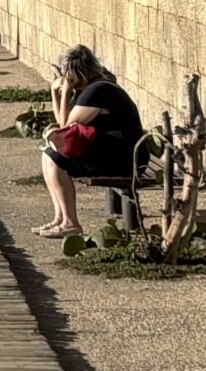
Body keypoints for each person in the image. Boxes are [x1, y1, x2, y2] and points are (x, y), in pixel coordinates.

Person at [38, 46, 146, 238]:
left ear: (77, 73)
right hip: (119, 151)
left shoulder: (97, 91)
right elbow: (67, 127)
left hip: (124, 158)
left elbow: (65, 124)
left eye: (69, 77)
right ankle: (60, 218)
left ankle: (71, 223)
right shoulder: (95, 87)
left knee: (55, 159)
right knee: (49, 155)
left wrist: (61, 93)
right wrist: (58, 93)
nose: (67, 81)